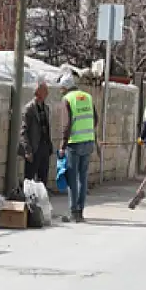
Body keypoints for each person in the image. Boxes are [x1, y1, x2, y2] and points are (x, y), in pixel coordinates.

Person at [58, 74, 97, 222]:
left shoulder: (67, 99)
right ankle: (80, 211)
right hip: (88, 141)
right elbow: (95, 119)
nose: (61, 91)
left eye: (61, 88)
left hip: (74, 143)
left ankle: (73, 211)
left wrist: (63, 145)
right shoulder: (87, 97)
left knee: (72, 178)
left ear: (65, 87)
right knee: (83, 177)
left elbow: (66, 125)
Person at [19, 78, 53, 184]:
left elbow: (47, 127)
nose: (47, 92)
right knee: (29, 179)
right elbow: (23, 131)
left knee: (43, 179)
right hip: (34, 148)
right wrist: (27, 150)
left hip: (44, 147)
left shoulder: (46, 108)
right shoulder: (29, 109)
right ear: (38, 92)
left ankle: (41, 199)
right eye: (44, 90)